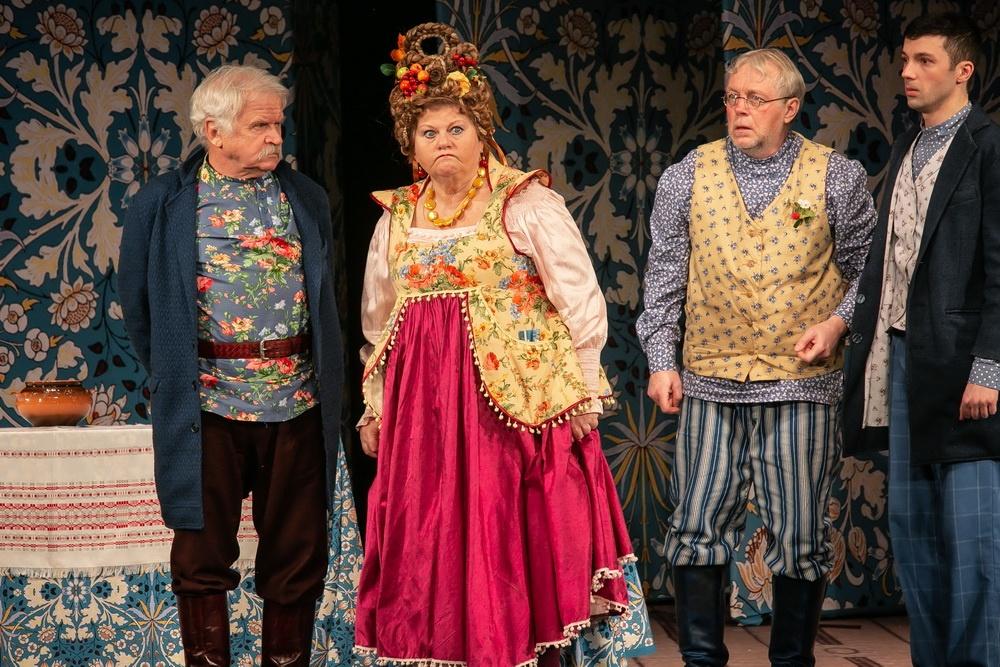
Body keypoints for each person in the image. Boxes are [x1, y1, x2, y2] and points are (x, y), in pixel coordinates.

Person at [353, 22, 652, 667]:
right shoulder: (396, 216)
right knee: (433, 526)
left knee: (511, 524)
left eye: (456, 128)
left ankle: (522, 649)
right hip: (426, 408)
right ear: (410, 142)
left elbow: (578, 295)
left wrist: (583, 387)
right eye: (428, 132)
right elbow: (380, 322)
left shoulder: (524, 202)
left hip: (514, 399)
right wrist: (376, 405)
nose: (443, 142)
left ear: (481, 131)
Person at [637, 48, 876, 665]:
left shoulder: (836, 177)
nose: (740, 109)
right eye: (733, 97)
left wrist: (837, 324)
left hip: (800, 384)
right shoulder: (688, 175)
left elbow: (870, 276)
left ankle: (792, 661)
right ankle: (701, 660)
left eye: (755, 99)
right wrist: (661, 359)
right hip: (710, 380)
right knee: (696, 527)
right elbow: (664, 277)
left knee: (800, 533)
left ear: (790, 109)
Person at [118, 65, 345, 666]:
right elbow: (139, 306)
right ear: (214, 132)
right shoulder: (163, 203)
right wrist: (176, 373)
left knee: (297, 553)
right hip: (208, 404)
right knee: (200, 555)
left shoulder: (306, 197)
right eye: (260, 126)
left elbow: (323, 295)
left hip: (297, 400)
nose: (276, 137)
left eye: (278, 125)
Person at [842, 13, 1000, 666]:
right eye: (905, 59)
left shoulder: (988, 148)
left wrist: (989, 366)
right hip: (904, 356)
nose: (907, 72)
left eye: (924, 61)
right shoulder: (908, 147)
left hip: (965, 365)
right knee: (914, 530)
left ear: (963, 71)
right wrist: (842, 324)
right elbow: (888, 261)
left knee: (972, 536)